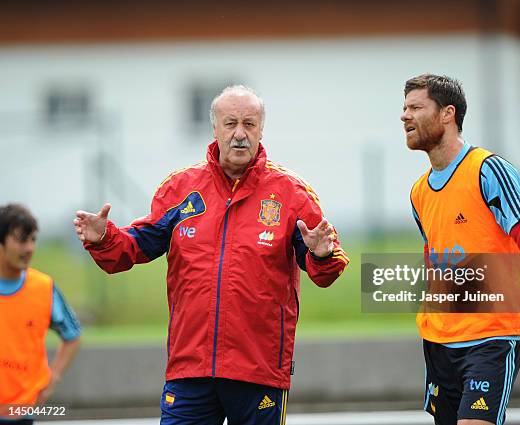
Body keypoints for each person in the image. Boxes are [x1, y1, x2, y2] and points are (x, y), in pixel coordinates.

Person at [73, 85, 349, 425]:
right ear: (214, 128)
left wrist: (321, 255)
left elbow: (324, 268)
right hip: (190, 368)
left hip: (259, 369)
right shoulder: (180, 188)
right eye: (230, 123)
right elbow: (133, 248)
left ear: (261, 129)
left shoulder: (291, 193)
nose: (239, 134)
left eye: (249, 124)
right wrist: (104, 238)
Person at [401, 74, 520, 425]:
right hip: (439, 341)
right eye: (404, 108)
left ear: (448, 114)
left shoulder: (488, 169)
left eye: (415, 107)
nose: (404, 116)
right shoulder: (418, 192)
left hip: (490, 337)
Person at [0, 204, 81, 425]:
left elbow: (72, 335)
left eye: (33, 240)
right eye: (21, 240)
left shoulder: (43, 288)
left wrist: (53, 378)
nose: (29, 248)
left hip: (22, 414)